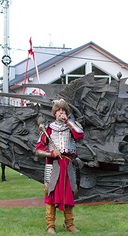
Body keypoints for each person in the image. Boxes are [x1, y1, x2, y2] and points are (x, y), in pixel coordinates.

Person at [35, 99, 84, 234]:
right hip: (54, 164)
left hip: (68, 164)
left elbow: (80, 135)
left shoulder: (72, 126)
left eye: (63, 110)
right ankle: (50, 225)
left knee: (69, 193)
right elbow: (38, 149)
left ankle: (69, 224)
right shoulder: (48, 129)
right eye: (59, 110)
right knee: (51, 193)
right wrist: (51, 153)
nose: (61, 112)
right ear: (54, 113)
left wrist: (68, 122)